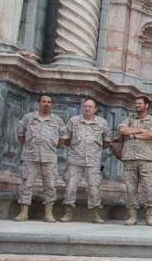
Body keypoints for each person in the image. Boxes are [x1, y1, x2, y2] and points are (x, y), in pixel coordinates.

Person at [14, 93, 67, 223]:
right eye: (44, 101)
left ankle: (48, 213)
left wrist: (50, 146)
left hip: (49, 157)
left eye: (49, 102)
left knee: (50, 185)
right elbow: (21, 136)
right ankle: (23, 212)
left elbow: (62, 139)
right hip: (30, 157)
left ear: (52, 105)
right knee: (26, 183)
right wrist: (30, 146)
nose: (46, 104)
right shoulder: (28, 118)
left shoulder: (57, 120)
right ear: (39, 103)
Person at [60, 98, 110, 224]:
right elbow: (66, 139)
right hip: (75, 160)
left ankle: (95, 214)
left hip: (93, 161)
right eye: (85, 106)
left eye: (90, 106)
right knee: (70, 186)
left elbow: (106, 141)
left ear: (95, 109)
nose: (87, 108)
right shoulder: (74, 121)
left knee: (94, 188)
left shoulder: (102, 123)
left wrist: (94, 150)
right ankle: (68, 212)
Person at [118, 96, 152, 226]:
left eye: (140, 103)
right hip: (129, 157)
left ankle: (150, 215)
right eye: (136, 103)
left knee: (148, 187)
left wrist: (132, 135)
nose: (137, 105)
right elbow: (122, 130)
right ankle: (132, 215)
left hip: (145, 158)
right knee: (130, 188)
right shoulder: (130, 119)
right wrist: (141, 131)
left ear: (146, 105)